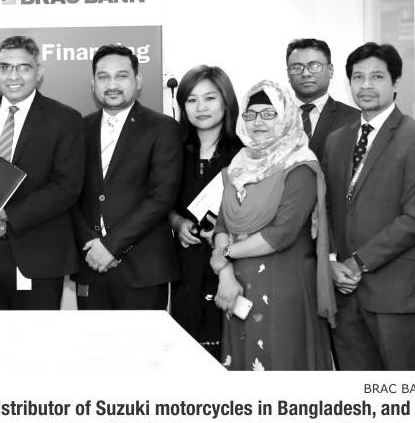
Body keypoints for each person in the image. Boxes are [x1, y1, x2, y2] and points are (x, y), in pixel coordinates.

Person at [0, 35, 84, 310]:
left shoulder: (65, 119)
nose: (13, 76)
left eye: (24, 67)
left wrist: (7, 213)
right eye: (5, 67)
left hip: (38, 254)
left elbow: (67, 186)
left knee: (36, 336)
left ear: (39, 71)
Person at [209, 80, 336, 371]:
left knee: (279, 367)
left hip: (281, 287)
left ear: (286, 117)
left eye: (269, 114)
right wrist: (225, 275)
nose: (258, 122)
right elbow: (222, 226)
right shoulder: (237, 167)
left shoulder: (300, 167)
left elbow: (281, 234)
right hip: (236, 288)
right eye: (251, 114)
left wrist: (224, 255)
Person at [323, 42, 415, 370]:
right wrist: (331, 261)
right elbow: (325, 208)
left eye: (377, 77)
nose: (366, 85)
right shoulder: (337, 140)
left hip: (396, 294)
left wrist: (359, 262)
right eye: (358, 77)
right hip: (344, 293)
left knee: (403, 390)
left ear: (395, 82)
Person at [72, 44, 183, 310]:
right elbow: (68, 192)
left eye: (121, 76)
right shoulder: (78, 128)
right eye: (103, 77)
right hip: (90, 263)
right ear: (93, 83)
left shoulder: (162, 127)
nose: (112, 85)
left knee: (143, 339)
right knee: (92, 338)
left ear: (138, 80)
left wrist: (111, 246)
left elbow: (161, 197)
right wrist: (91, 244)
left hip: (143, 269)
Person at [167, 65, 243, 358]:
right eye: (192, 100)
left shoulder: (243, 153)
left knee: (227, 351)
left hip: (230, 262)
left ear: (226, 101)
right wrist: (177, 223)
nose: (201, 107)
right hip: (184, 263)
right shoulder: (173, 149)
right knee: (187, 352)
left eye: (210, 98)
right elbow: (162, 202)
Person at [285, 38, 359, 161]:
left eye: (314, 66)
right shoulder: (275, 118)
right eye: (296, 67)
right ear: (288, 74)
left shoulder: (355, 119)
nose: (306, 73)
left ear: (330, 70)